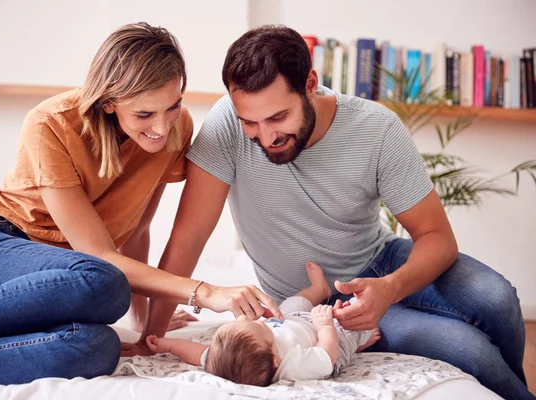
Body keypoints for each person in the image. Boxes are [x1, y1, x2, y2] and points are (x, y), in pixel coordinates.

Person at [139, 25, 533, 399]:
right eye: (251, 123)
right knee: (468, 349)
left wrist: (391, 288)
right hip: (318, 306)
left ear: (310, 85)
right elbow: (188, 237)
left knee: (496, 298)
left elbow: (437, 239)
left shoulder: (376, 129)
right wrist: (149, 336)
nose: (267, 137)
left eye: (278, 117)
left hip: (381, 260)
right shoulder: (225, 125)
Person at [0, 22, 282, 386]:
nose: (162, 128)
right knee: (105, 280)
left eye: (172, 106)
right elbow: (99, 257)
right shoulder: (51, 124)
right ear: (109, 102)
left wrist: (149, 331)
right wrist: (206, 292)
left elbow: (138, 230)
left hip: (53, 286)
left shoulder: (176, 129)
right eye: (144, 115)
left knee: (98, 347)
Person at [146, 262, 379, 386]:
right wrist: (326, 325)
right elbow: (326, 356)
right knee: (352, 325)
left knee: (292, 302)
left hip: (291, 320)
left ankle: (319, 290)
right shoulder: (294, 367)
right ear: (276, 358)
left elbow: (196, 353)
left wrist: (167, 345)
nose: (256, 320)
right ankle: (361, 342)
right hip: (322, 338)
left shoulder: (223, 358)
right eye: (259, 326)